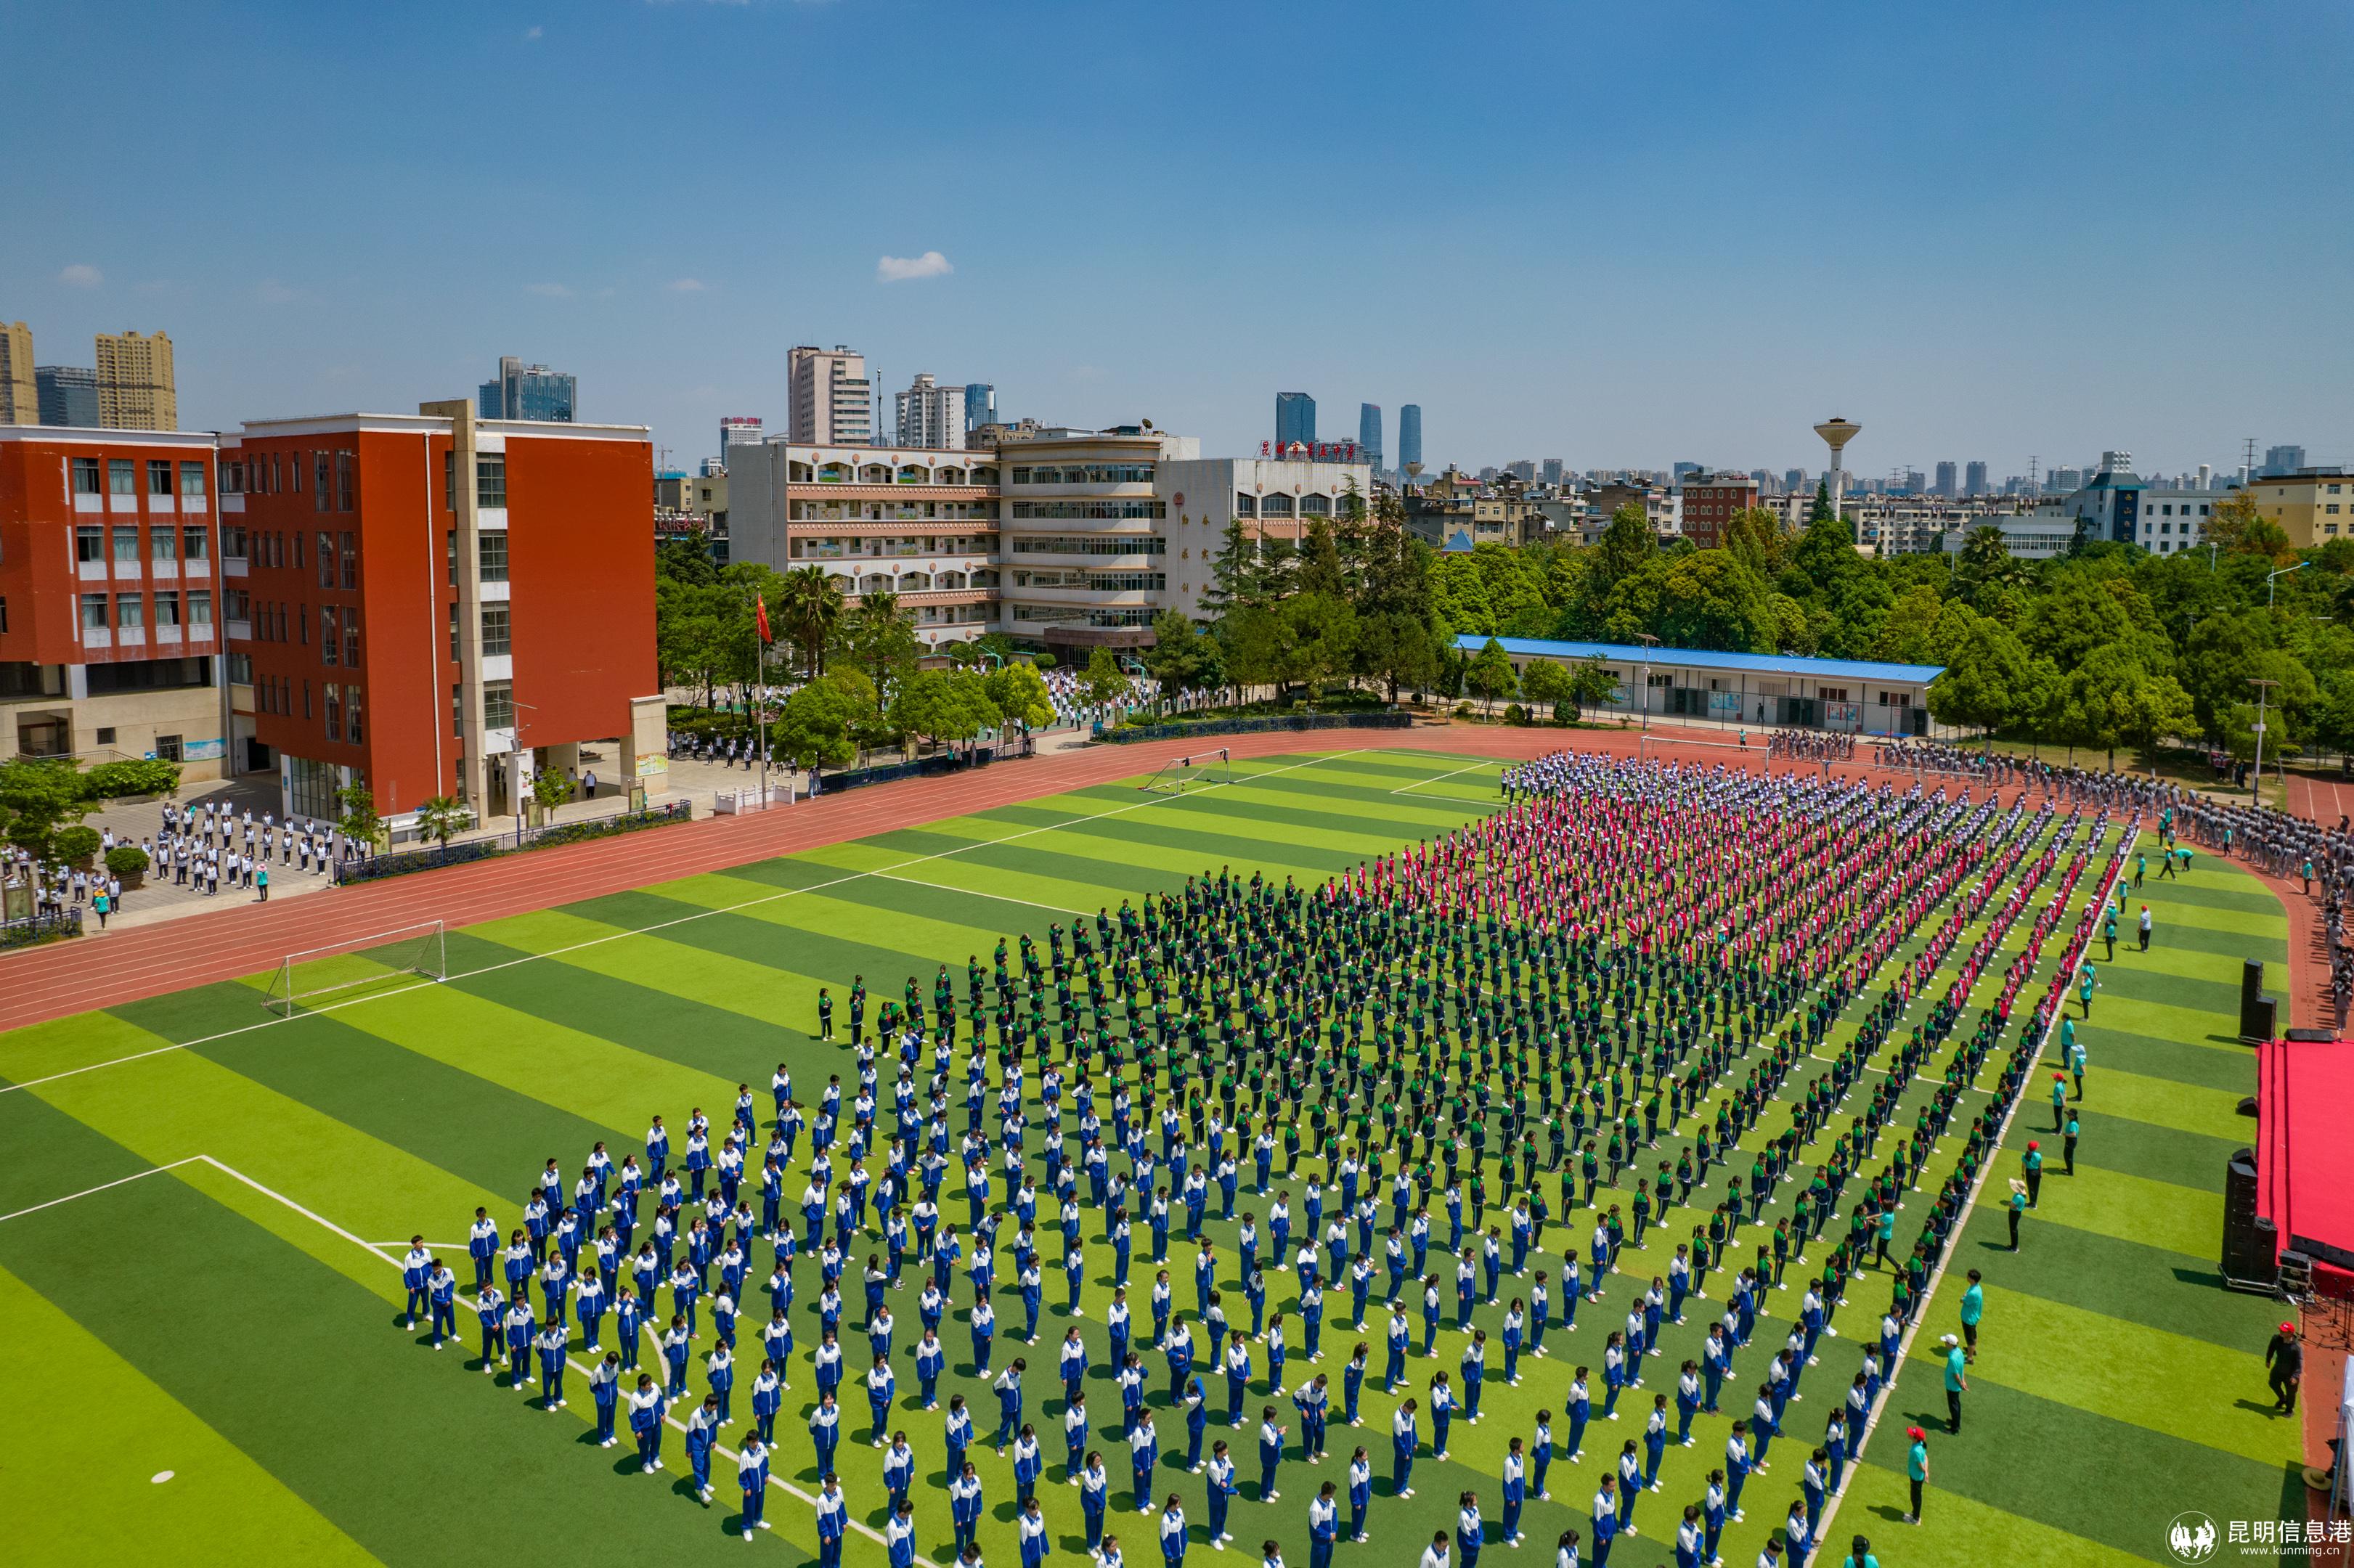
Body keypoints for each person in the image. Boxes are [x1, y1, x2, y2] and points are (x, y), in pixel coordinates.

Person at [2266, 1322, 2303, 1414]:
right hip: (2278, 1369)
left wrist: (2295, 1376)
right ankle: (2283, 1399)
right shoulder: (2276, 1339)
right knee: (2273, 1383)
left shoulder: (2296, 1348)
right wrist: (2268, 1360)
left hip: (2290, 1374)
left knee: (2291, 1393)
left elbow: (2299, 1364)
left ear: (2290, 1333)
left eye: (2284, 1331)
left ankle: (2289, 1410)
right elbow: (2271, 1349)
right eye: (2281, 1330)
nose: (2281, 1332)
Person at [1940, 1333, 1967, 1433]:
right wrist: (1963, 1381)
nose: (1945, 1343)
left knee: (1954, 1406)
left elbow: (1956, 1374)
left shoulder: (1952, 1358)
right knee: (1956, 1405)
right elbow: (1962, 1367)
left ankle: (1955, 1428)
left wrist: (1961, 1383)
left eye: (1946, 1342)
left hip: (1952, 1386)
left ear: (1950, 1344)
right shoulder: (1959, 1352)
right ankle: (1955, 1422)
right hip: (1955, 1385)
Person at [1902, 1426, 1928, 1524]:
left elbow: (1921, 1465)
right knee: (1915, 1497)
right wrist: (1926, 1472)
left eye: (1912, 1435)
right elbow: (1925, 1457)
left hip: (1916, 1477)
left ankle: (1916, 1519)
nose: (1909, 1434)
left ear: (1916, 1439)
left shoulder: (1916, 1451)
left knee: (1915, 1498)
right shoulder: (1920, 1444)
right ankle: (1914, 1514)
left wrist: (1925, 1471)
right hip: (1916, 1475)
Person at [1958, 1270, 1984, 1363]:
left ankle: (1970, 1358)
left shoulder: (1973, 1293)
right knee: (1974, 1335)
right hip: (1974, 1317)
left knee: (1970, 1339)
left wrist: (1963, 1297)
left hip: (1969, 1319)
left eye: (1968, 1276)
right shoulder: (1977, 1288)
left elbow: (1962, 1300)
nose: (1967, 1277)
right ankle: (1972, 1350)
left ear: (1972, 1279)